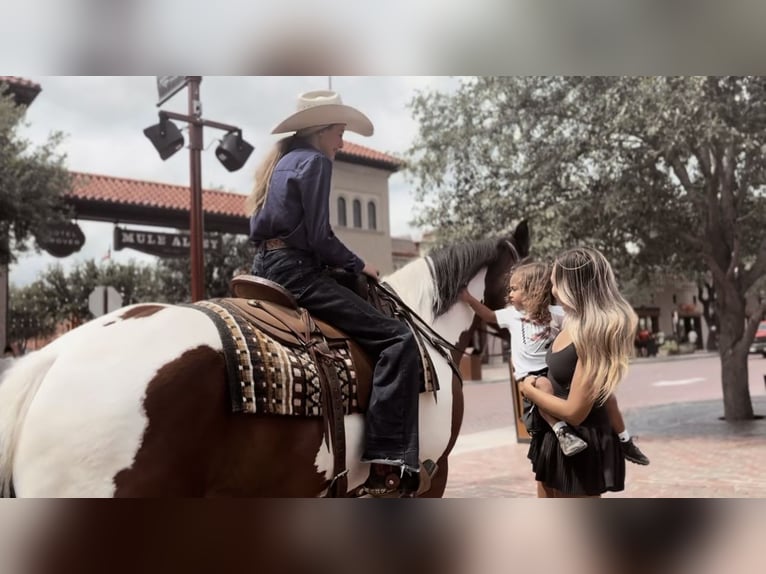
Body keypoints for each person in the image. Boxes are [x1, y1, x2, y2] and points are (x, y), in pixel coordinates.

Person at [246, 90, 422, 497]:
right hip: (296, 271)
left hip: (263, 267)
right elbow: (319, 236)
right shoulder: (315, 162)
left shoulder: (280, 163)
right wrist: (361, 265)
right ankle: (387, 461)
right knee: (397, 337)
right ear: (322, 130)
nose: (342, 143)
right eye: (340, 133)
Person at [460, 261, 649, 465]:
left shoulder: (556, 314)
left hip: (554, 370)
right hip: (530, 375)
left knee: (607, 397)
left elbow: (576, 326)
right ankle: (562, 432)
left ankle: (625, 440)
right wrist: (469, 299)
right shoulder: (511, 315)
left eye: (514, 289)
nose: (509, 294)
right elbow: (487, 315)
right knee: (543, 387)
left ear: (533, 290)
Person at [517, 247, 640, 497]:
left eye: (554, 283)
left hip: (580, 445)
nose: (551, 291)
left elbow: (575, 412)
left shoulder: (591, 336)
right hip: (556, 439)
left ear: (569, 286)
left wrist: (528, 389)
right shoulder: (569, 325)